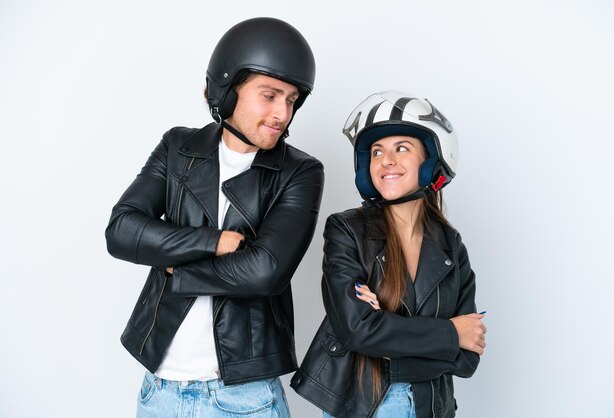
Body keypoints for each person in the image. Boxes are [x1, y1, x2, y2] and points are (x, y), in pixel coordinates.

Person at [105, 17, 323, 417]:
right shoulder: (177, 148)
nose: (282, 114)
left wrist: (178, 269)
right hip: (160, 391)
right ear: (227, 90)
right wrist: (214, 242)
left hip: (244, 398)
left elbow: (266, 271)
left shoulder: (301, 172)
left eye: (291, 100)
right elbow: (121, 230)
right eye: (270, 95)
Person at [291, 91, 486, 418]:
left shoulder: (451, 245)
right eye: (377, 151)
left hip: (434, 407)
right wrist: (451, 333)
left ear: (430, 162)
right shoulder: (346, 231)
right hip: (368, 405)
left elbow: (469, 358)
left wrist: (386, 330)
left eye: (402, 148)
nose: (386, 160)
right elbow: (358, 331)